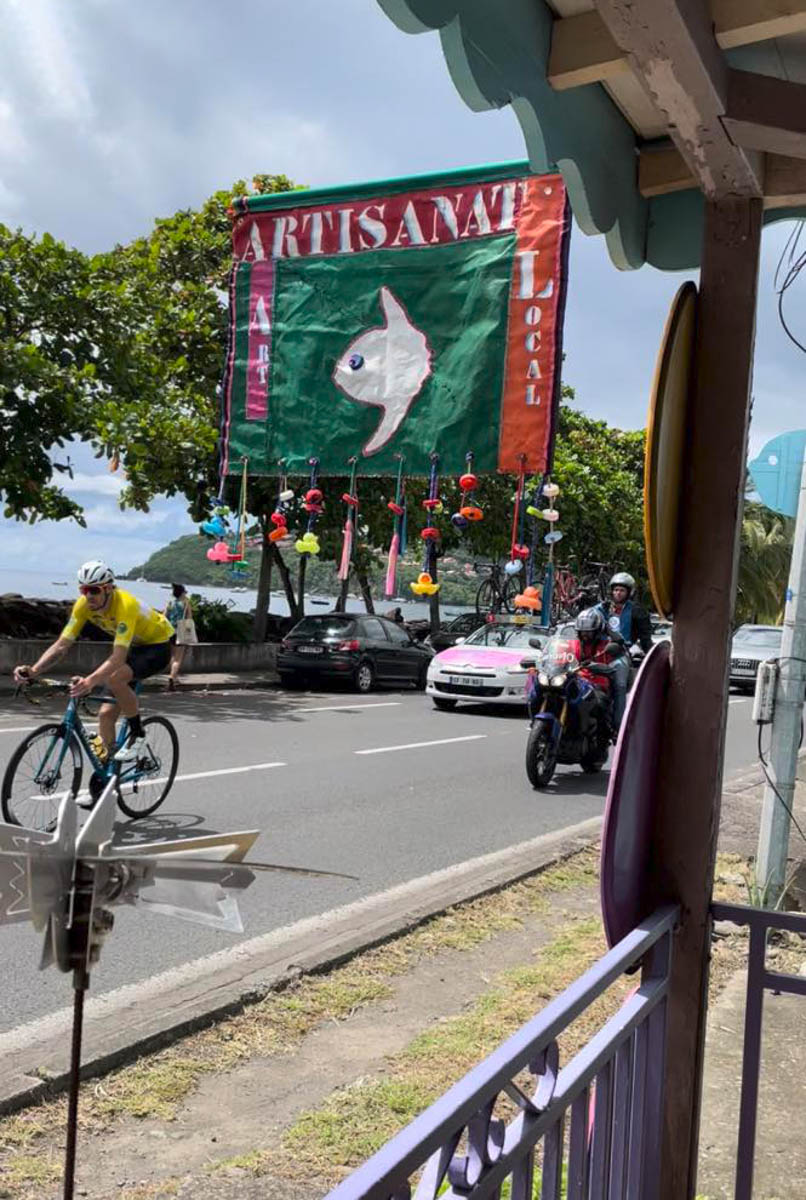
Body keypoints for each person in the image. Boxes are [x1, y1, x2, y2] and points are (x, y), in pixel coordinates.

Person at [13, 561, 174, 762]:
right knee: (105, 715)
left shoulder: (125, 605)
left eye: (94, 590)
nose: (88, 595)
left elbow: (117, 658)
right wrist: (34, 670)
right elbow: (62, 645)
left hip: (157, 646)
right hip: (136, 647)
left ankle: (137, 734)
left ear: (107, 589)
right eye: (84, 590)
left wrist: (89, 682)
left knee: (115, 679)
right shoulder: (83, 605)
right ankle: (109, 769)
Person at [574, 606, 631, 733]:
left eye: (589, 632)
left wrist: (606, 627)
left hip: (597, 683)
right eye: (582, 631)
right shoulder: (575, 645)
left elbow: (620, 641)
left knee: (618, 687)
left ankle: (618, 728)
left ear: (598, 631)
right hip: (577, 682)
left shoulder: (604, 646)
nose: (585, 635)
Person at [595, 572, 653, 655]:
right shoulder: (602, 608)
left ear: (629, 592)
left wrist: (648, 655)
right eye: (616, 590)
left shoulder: (637, 611)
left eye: (622, 590)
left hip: (626, 653)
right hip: (601, 651)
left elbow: (645, 638)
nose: (618, 593)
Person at [164, 583, 195, 691]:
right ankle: (172, 678)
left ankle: (174, 676)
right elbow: (189, 618)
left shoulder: (170, 603)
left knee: (173, 656)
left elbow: (164, 617)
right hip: (181, 631)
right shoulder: (186, 603)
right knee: (178, 658)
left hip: (170, 630)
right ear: (182, 593)